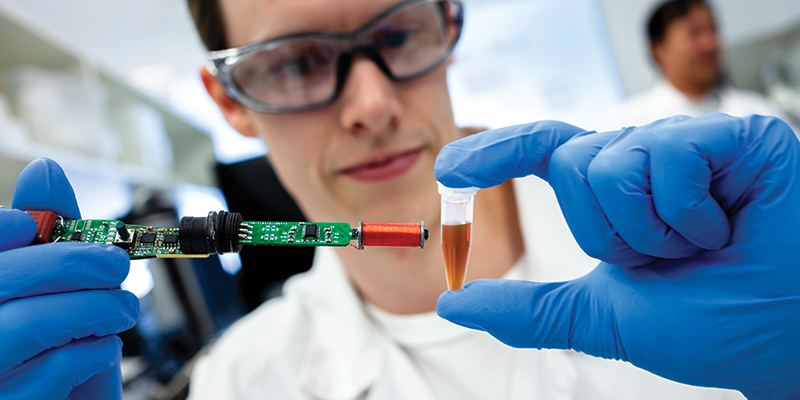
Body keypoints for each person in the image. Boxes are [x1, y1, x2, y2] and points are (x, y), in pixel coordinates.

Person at [0, 1, 796, 400]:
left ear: (448, 24)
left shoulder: (699, 232)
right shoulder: (248, 382)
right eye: (295, 63)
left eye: (400, 32)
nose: (372, 104)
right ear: (230, 100)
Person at [616, 0, 793, 128]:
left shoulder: (760, 112)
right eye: (694, 33)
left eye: (713, 30)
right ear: (657, 49)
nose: (709, 44)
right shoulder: (633, 123)